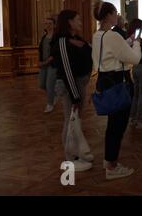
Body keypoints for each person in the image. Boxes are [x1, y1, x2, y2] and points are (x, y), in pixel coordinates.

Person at [92, 0, 142, 180]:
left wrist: (127, 41)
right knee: (117, 126)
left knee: (113, 125)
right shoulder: (112, 36)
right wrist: (136, 43)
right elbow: (134, 59)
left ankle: (109, 161)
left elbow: (113, 52)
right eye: (115, 13)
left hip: (105, 80)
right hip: (118, 82)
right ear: (108, 15)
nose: (118, 16)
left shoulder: (97, 35)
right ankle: (111, 166)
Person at [51, 10, 94, 172]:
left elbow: (88, 54)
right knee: (70, 121)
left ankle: (75, 154)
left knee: (75, 121)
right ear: (69, 22)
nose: (81, 22)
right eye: (77, 20)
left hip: (78, 84)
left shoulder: (75, 39)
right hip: (71, 86)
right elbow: (67, 70)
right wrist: (75, 96)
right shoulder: (62, 41)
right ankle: (69, 159)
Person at [38, 17, 58, 113]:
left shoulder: (56, 37)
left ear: (54, 25)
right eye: (46, 23)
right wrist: (40, 62)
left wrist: (46, 62)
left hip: (53, 64)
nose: (48, 25)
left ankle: (50, 104)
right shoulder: (44, 37)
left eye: (50, 23)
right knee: (42, 85)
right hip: (43, 64)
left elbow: (55, 53)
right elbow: (41, 51)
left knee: (49, 85)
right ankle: (54, 95)